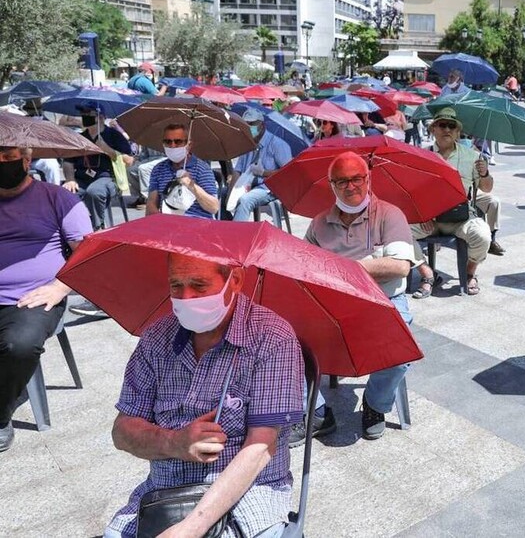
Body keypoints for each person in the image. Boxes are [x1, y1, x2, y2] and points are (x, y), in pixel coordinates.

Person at [104, 254, 304, 538]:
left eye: (199, 285)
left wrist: (191, 528)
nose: (186, 298)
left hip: (249, 492)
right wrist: (175, 442)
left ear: (234, 280)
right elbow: (121, 432)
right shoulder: (156, 338)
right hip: (166, 489)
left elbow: (261, 447)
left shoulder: (272, 338)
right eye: (176, 285)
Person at [303, 152, 418, 441]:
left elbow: (400, 267)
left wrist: (344, 268)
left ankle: (375, 404)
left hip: (384, 302)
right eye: (342, 181)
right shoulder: (318, 223)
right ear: (331, 185)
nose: (350, 186)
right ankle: (318, 411)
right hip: (332, 304)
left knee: (400, 348)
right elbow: (304, 266)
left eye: (357, 179)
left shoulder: (390, 215)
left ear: (368, 178)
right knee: (285, 341)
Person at [0, 146, 92, 453]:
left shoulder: (58, 199)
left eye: (8, 155)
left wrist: (60, 287)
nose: (2, 162)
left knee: (19, 345)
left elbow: (88, 252)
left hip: (35, 296)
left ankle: (0, 417)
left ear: (27, 159)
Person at [411, 108, 492, 297]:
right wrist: (420, 213)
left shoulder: (472, 156)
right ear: (433, 129)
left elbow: (487, 189)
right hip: (429, 218)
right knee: (397, 233)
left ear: (457, 132)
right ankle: (428, 273)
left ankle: (469, 271)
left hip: (461, 218)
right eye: (442, 125)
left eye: (452, 126)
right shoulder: (421, 155)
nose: (447, 129)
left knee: (483, 236)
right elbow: (413, 191)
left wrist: (484, 173)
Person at [62, 109, 129, 230]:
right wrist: (70, 179)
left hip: (107, 177)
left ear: (101, 117)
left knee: (94, 192)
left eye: (90, 115)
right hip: (81, 178)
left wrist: (106, 149)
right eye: (84, 114)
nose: (85, 117)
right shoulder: (79, 137)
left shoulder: (114, 135)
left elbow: (129, 160)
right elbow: (68, 161)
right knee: (64, 193)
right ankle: (71, 228)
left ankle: (97, 226)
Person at [229, 108, 293, 222]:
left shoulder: (277, 144)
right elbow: (237, 170)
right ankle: (226, 229)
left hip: (268, 188)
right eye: (246, 124)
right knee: (224, 194)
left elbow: (288, 174)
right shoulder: (247, 143)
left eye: (252, 124)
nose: (249, 127)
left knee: (245, 200)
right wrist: (231, 193)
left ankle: (236, 236)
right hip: (247, 185)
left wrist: (264, 172)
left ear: (261, 125)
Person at [145, 124, 220, 218]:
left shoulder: (202, 169)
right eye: (168, 142)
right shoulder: (158, 169)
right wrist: (161, 221)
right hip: (166, 221)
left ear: (189, 145)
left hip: (196, 222)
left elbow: (214, 207)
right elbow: (151, 204)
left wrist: (191, 185)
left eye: (178, 141)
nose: (172, 146)